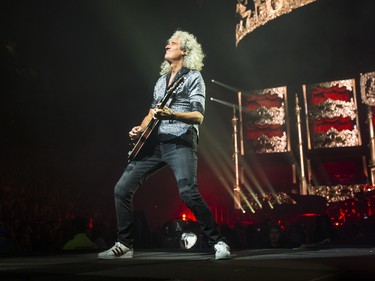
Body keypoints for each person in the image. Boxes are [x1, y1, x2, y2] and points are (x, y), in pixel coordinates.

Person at [98, 30, 230, 260]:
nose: (167, 45)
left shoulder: (193, 77)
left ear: (185, 51)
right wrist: (139, 131)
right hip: (155, 143)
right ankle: (124, 244)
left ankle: (218, 242)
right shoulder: (161, 81)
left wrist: (173, 114)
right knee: (121, 189)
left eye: (173, 43)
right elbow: (151, 114)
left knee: (188, 192)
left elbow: (198, 116)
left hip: (180, 140)